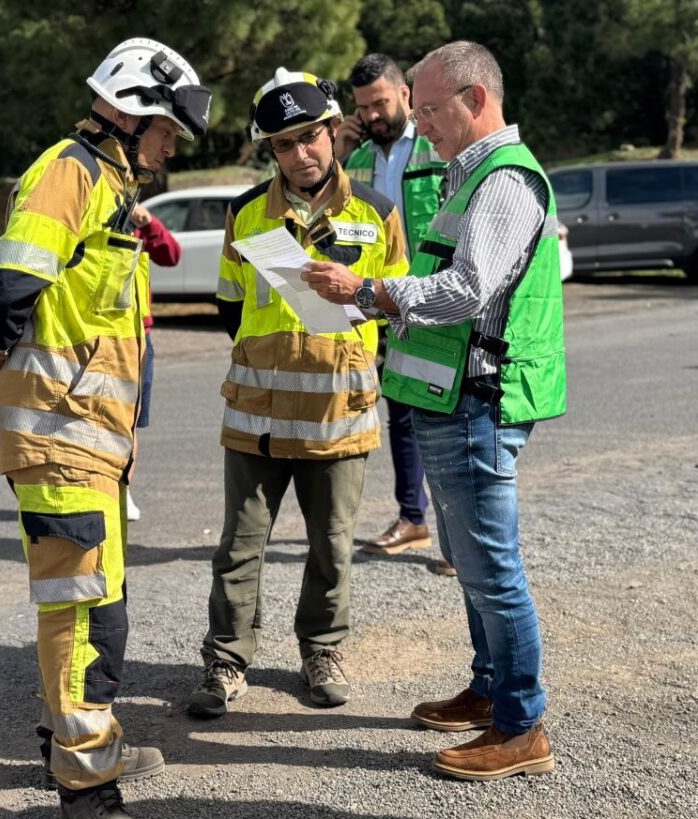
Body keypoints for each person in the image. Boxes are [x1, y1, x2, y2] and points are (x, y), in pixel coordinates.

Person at [0, 37, 210, 819]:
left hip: (90, 439)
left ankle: (71, 747)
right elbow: (10, 290)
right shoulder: (69, 173)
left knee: (94, 598)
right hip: (59, 433)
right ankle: (88, 785)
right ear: (132, 113)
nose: (170, 148)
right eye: (167, 131)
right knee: (88, 613)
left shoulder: (107, 184)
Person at [301, 41, 565, 781]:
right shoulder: (467, 174)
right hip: (451, 402)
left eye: (429, 109)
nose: (419, 125)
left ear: (476, 99)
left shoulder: (504, 180)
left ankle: (522, 725)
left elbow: (466, 288)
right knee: (474, 565)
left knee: (492, 569)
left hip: (478, 404)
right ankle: (489, 692)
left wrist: (369, 292)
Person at [187, 68, 409, 718]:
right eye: (284, 144)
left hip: (339, 414)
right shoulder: (247, 214)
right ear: (271, 150)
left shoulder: (378, 212)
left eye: (310, 137)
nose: (300, 153)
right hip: (256, 413)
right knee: (238, 545)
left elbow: (395, 306)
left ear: (335, 133)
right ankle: (226, 661)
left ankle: (321, 650)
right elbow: (230, 304)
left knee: (332, 545)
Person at [334, 53, 449, 563]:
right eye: (363, 107)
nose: (373, 115)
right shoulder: (356, 160)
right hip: (381, 307)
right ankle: (413, 518)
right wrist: (338, 147)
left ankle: (456, 538)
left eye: (380, 102)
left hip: (437, 302)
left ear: (406, 93)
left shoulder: (438, 147)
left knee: (444, 417)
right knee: (401, 414)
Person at [126, 202, 182, 522]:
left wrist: (148, 223)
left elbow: (171, 255)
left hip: (137, 335)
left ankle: (123, 490)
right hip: (98, 332)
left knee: (131, 421)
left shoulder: (135, 221)